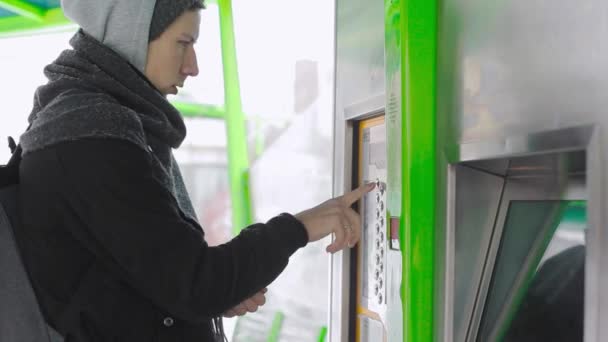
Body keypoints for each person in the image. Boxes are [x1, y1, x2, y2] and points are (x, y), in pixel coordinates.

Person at [16, 0, 372, 341]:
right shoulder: (92, 133)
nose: (192, 66)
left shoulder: (90, 123)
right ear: (132, 36)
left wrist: (216, 293)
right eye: (182, 44)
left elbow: (143, 274)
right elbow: (195, 285)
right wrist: (300, 227)